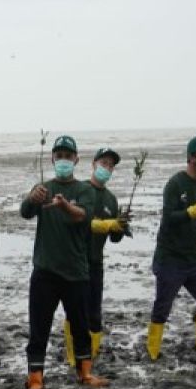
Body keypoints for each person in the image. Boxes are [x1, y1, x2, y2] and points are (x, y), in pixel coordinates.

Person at [19, 135, 107, 389]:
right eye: (59, 156)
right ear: (52, 158)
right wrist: (33, 198)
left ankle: (85, 372)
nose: (63, 160)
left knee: (81, 326)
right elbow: (24, 213)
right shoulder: (43, 188)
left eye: (68, 156)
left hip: (76, 272)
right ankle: (35, 376)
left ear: (77, 160)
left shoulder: (85, 190)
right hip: (45, 272)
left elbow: (83, 215)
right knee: (39, 327)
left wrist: (65, 205)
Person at [146, 137, 196, 359]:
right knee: (162, 308)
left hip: (194, 257)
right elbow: (168, 219)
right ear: (190, 157)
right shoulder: (175, 184)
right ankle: (152, 352)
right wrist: (193, 210)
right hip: (169, 257)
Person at [61, 147, 130, 365]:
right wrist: (106, 224)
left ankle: (92, 354)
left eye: (110, 165)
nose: (106, 168)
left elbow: (114, 239)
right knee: (75, 312)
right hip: (75, 262)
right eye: (103, 163)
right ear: (93, 164)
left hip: (96, 262)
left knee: (95, 313)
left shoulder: (110, 200)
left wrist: (120, 226)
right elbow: (79, 223)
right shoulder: (81, 191)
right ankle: (73, 357)